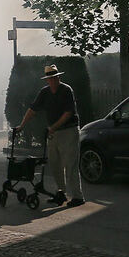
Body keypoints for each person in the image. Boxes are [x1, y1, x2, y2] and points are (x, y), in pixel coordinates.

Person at [13, 64, 85, 207]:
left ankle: (78, 197)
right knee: (55, 163)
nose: (53, 80)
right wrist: (21, 126)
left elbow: (68, 113)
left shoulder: (66, 90)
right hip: (53, 132)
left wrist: (53, 127)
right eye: (50, 78)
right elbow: (32, 110)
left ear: (59, 77)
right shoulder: (44, 92)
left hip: (69, 131)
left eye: (55, 78)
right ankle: (61, 193)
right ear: (46, 80)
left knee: (70, 164)